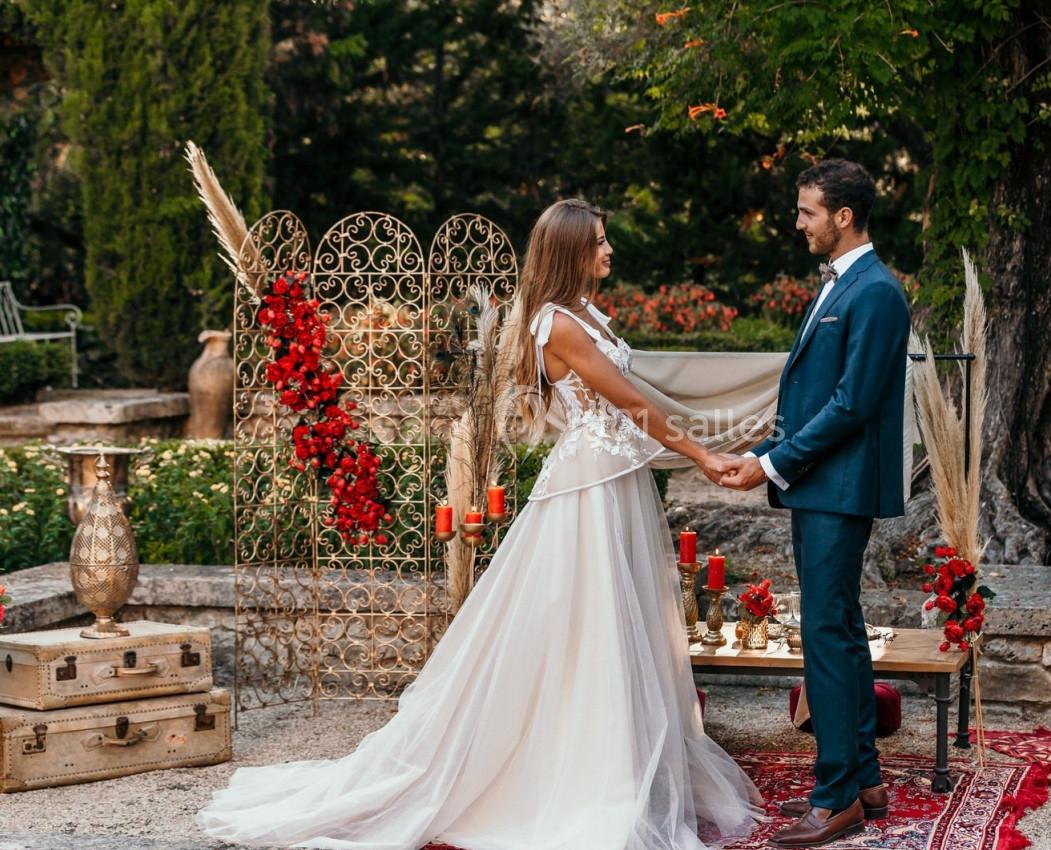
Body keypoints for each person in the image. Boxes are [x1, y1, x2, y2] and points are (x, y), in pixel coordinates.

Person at [196, 199, 763, 850]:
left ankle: (617, 759)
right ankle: (583, 773)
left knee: (611, 617)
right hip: (589, 486)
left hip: (614, 477)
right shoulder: (558, 323)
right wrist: (702, 455)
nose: (610, 251)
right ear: (571, 250)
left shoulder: (584, 312)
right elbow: (630, 401)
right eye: (600, 242)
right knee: (587, 615)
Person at [720, 160, 911, 848]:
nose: (797, 223)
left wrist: (772, 463)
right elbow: (813, 398)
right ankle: (865, 780)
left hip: (840, 488)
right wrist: (764, 452)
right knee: (842, 630)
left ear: (844, 216)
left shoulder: (876, 292)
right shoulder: (841, 284)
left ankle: (834, 798)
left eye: (807, 212)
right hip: (821, 485)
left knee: (827, 638)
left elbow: (852, 405)